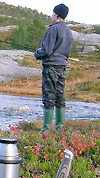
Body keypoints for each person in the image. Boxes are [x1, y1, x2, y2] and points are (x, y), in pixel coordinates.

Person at [34, 3, 73, 132]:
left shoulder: (53, 29)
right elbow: (66, 53)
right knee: (59, 96)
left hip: (50, 67)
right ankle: (60, 128)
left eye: (52, 13)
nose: (52, 15)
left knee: (49, 95)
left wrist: (37, 53)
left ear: (56, 15)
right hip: (62, 67)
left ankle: (45, 129)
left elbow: (47, 50)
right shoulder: (68, 31)